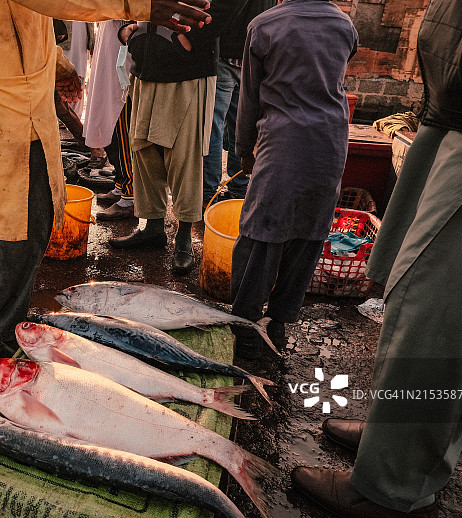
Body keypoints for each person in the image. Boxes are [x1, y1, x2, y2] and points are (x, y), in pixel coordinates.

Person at [291, 1, 462, 518]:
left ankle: (395, 487)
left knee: (439, 316)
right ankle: (398, 435)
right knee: (418, 297)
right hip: (456, 113)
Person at [0, 0, 212, 373]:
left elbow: (24, 19)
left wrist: (59, 65)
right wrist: (141, 5)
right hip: (2, 99)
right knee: (15, 220)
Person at [229, 0, 357, 354]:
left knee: (261, 234)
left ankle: (246, 326)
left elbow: (249, 97)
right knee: (309, 233)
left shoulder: (264, 25)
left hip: (282, 141)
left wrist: (243, 148)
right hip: (331, 142)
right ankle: (281, 322)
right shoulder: (344, 26)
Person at [107, 8, 232, 276]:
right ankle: (152, 227)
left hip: (188, 70)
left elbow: (230, 4)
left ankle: (183, 237)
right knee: (143, 149)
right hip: (146, 63)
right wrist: (128, 28)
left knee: (184, 156)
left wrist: (194, 40)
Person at [202, 0, 274, 207]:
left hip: (226, 51)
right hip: (254, 52)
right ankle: (239, 188)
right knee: (242, 122)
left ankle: (208, 190)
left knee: (213, 124)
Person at [84, 19, 135, 221]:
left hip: (121, 51)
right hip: (108, 46)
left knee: (119, 117)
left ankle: (130, 195)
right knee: (108, 119)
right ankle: (121, 182)